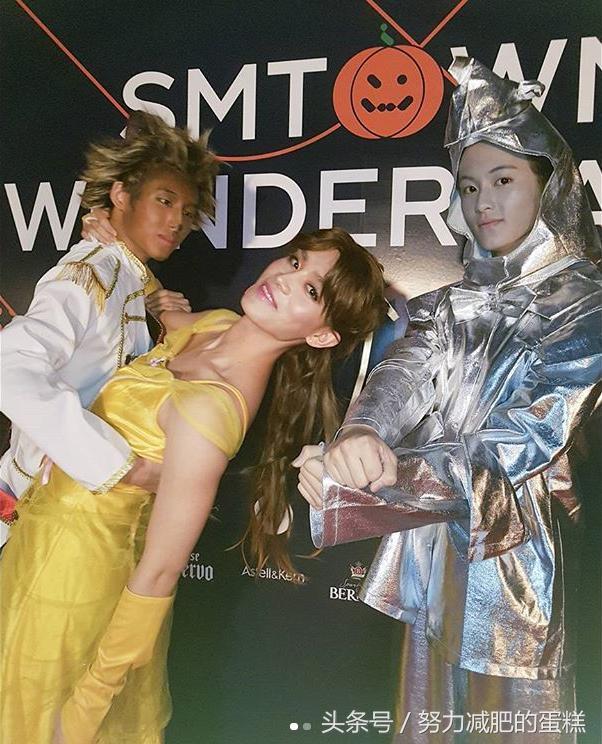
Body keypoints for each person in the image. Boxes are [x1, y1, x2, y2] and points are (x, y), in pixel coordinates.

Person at [296, 58, 602, 743]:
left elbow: (525, 437)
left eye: (503, 180)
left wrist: (388, 476)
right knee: (428, 718)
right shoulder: (447, 304)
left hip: (529, 562)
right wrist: (360, 435)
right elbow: (402, 375)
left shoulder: (587, 305)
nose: (483, 202)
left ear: (548, 184)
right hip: (436, 555)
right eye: (468, 186)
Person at [0, 222, 388, 743]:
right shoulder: (216, 324)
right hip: (36, 537)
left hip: (77, 578)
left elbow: (159, 572)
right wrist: (116, 245)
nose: (284, 278)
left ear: (321, 335)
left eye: (311, 290)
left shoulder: (213, 409)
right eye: (295, 262)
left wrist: (87, 707)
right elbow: (159, 309)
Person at [0, 112, 217, 545]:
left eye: (187, 212)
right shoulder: (91, 274)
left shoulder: (131, 279)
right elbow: (10, 367)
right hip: (37, 518)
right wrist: (123, 467)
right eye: (164, 201)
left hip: (82, 521)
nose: (177, 221)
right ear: (120, 194)